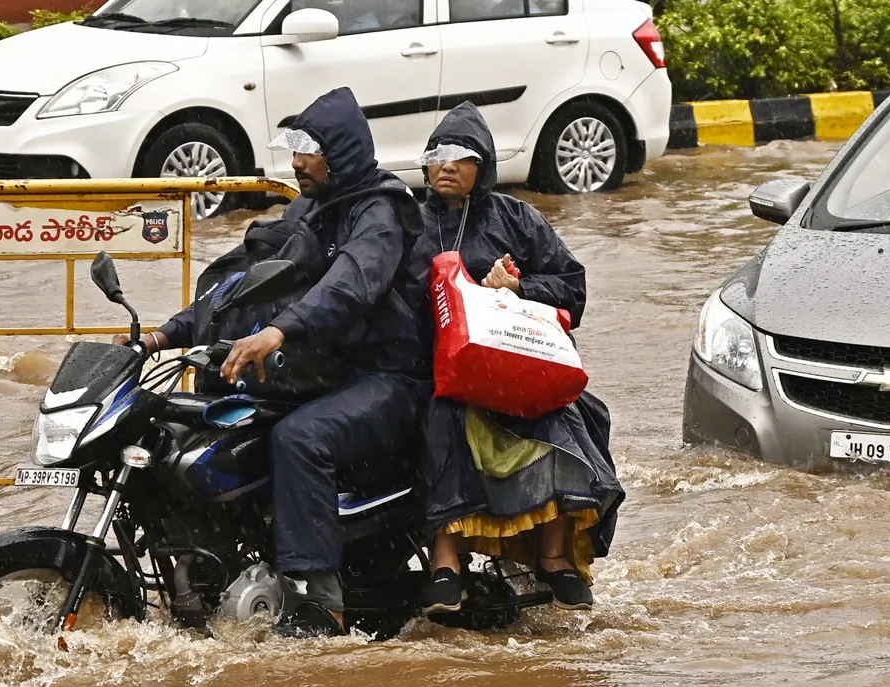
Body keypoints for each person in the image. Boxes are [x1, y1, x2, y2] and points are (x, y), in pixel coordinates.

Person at [121, 87, 431, 638]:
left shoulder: (380, 211)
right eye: (295, 147)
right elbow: (246, 284)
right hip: (320, 370)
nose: (296, 161)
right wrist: (165, 333)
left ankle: (320, 600)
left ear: (340, 152)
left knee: (299, 438)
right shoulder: (306, 208)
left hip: (387, 377)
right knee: (186, 425)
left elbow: (350, 286)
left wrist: (277, 332)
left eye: (309, 148)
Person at [414, 102, 625, 615]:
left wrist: (520, 287)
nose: (446, 166)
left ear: (482, 167)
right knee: (437, 421)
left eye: (461, 157)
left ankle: (554, 559)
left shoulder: (517, 218)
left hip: (515, 371)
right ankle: (446, 562)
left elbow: (572, 287)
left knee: (568, 422)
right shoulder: (405, 221)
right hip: (436, 371)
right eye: (437, 155)